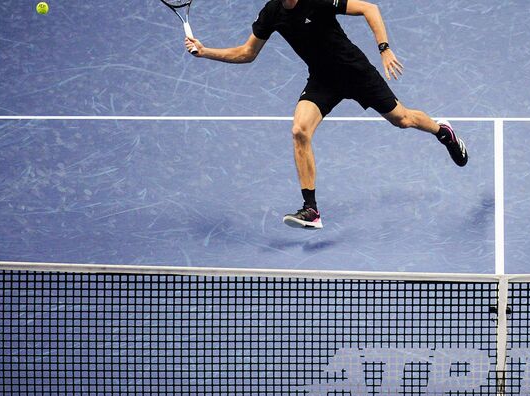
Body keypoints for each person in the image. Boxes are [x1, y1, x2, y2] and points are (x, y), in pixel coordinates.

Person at [185, 0, 468, 230]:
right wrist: (205, 51)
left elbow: (370, 8)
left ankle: (442, 130)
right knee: (299, 130)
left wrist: (384, 49)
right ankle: (311, 209)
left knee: (402, 119)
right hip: (323, 80)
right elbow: (247, 53)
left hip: (356, 72)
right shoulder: (271, 12)